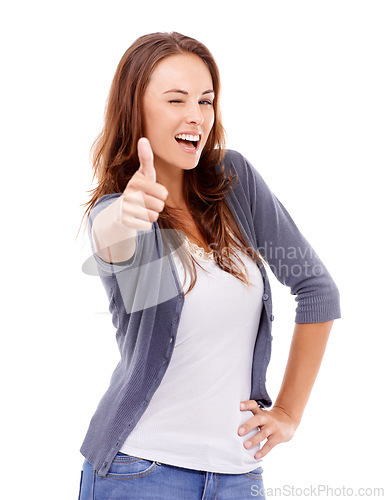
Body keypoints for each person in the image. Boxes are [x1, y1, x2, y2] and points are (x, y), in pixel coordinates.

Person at [77, 31, 341, 500]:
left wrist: (288, 412)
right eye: (175, 100)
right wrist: (127, 213)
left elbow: (317, 288)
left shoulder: (232, 184)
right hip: (140, 471)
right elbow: (109, 238)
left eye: (205, 100)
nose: (195, 117)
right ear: (135, 109)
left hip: (239, 476)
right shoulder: (123, 210)